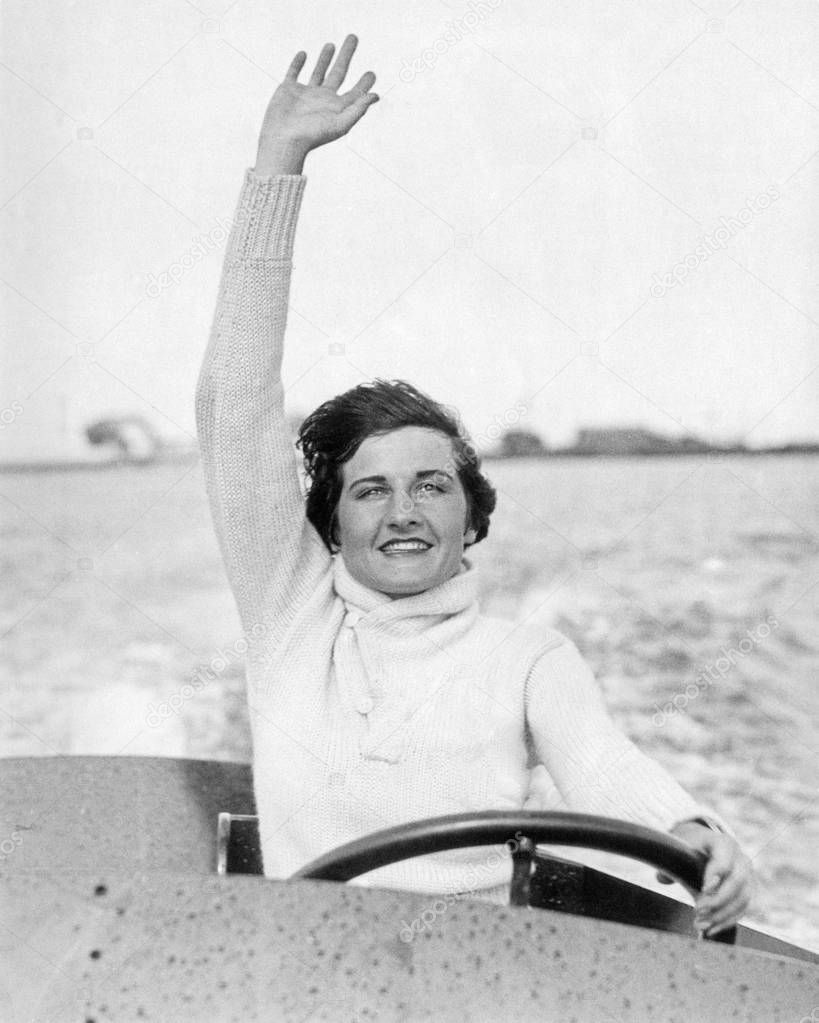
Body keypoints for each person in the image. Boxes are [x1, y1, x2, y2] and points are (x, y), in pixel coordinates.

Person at [195, 34, 752, 936]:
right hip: (304, 971)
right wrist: (278, 166)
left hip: (480, 975)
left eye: (430, 485)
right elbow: (231, 405)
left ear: (470, 511)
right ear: (330, 522)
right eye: (370, 491)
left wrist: (689, 829)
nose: (404, 511)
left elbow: (601, 761)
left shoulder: (529, 657)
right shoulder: (289, 617)